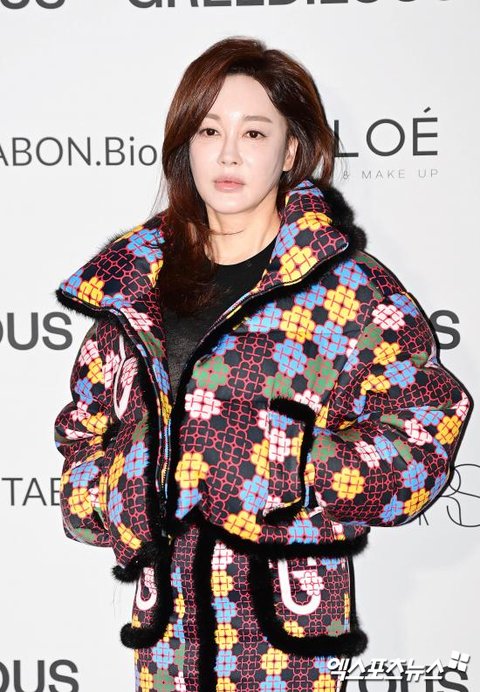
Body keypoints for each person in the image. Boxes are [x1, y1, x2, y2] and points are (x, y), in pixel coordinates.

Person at [53, 36, 473, 692]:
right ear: (185, 146)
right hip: (165, 650)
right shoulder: (137, 291)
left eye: (253, 132)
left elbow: (424, 434)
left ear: (293, 150)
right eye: (208, 130)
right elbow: (80, 449)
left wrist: (291, 464)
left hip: (287, 648)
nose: (227, 153)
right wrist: (126, 489)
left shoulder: (345, 292)